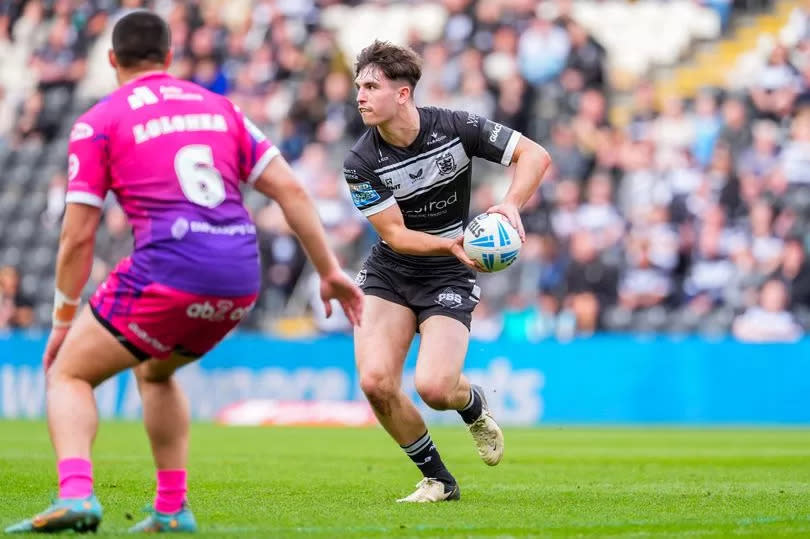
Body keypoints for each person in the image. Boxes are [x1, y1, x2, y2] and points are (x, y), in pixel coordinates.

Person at [6, 11, 363, 534]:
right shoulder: (222, 109)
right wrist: (328, 270)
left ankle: (77, 494)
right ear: (170, 58)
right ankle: (172, 509)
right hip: (240, 274)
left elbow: (78, 236)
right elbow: (292, 190)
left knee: (70, 372)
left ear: (112, 61)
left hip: (169, 268)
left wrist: (62, 321)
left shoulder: (99, 120)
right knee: (154, 370)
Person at [344, 40, 550, 503]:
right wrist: (451, 243)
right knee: (376, 382)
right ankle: (439, 480)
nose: (360, 95)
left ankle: (472, 405)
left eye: (371, 86)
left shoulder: (457, 128)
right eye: (359, 85)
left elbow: (535, 156)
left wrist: (510, 204)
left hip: (447, 276)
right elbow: (395, 235)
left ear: (402, 94)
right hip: (391, 272)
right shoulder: (360, 161)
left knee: (436, 388)